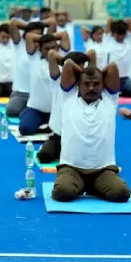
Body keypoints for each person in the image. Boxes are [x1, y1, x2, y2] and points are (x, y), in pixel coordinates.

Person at [51, 59, 130, 203]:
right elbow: (68, 64)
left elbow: (113, 66)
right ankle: (84, 186)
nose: (91, 88)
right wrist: (84, 74)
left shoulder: (110, 98)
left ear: (103, 83)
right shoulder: (68, 97)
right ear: (78, 85)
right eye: (86, 84)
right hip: (72, 168)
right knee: (62, 192)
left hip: (103, 170)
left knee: (121, 194)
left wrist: (94, 74)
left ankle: (93, 186)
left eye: (96, 84)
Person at [37, 50, 93, 163]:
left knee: (87, 161)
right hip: (59, 136)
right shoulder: (57, 80)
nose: (80, 71)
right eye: (77, 68)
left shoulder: (87, 86)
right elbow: (52, 54)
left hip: (79, 136)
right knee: (44, 156)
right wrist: (67, 62)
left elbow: (92, 54)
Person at [19, 31, 70, 135]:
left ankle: (49, 126)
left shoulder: (63, 59)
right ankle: (43, 125)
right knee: (25, 129)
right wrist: (45, 37)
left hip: (57, 111)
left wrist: (50, 37)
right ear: (39, 49)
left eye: (54, 47)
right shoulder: (34, 58)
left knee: (69, 130)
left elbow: (64, 35)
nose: (51, 51)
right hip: (37, 110)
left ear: (58, 48)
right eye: (46, 49)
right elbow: (29, 36)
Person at [6, 19, 51, 117]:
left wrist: (41, 33)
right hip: (21, 93)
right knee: (11, 110)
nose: (35, 38)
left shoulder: (44, 49)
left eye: (38, 35)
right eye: (33, 35)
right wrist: (30, 25)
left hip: (40, 93)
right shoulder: (19, 44)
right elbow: (14, 22)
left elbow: (53, 22)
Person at [104, 19, 131, 96]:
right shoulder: (108, 40)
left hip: (125, 78)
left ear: (125, 34)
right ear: (113, 33)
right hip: (112, 77)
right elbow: (110, 20)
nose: (120, 36)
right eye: (118, 34)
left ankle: (121, 92)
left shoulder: (128, 41)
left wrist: (123, 24)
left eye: (122, 34)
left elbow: (128, 21)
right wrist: (116, 25)